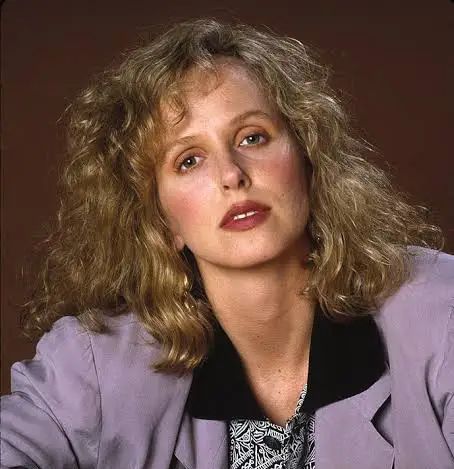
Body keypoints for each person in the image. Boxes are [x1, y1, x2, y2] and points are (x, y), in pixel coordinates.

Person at [1, 18, 453, 469]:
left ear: (308, 158)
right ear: (161, 219)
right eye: (189, 160)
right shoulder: (94, 367)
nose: (232, 175)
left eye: (252, 137)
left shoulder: (438, 313)